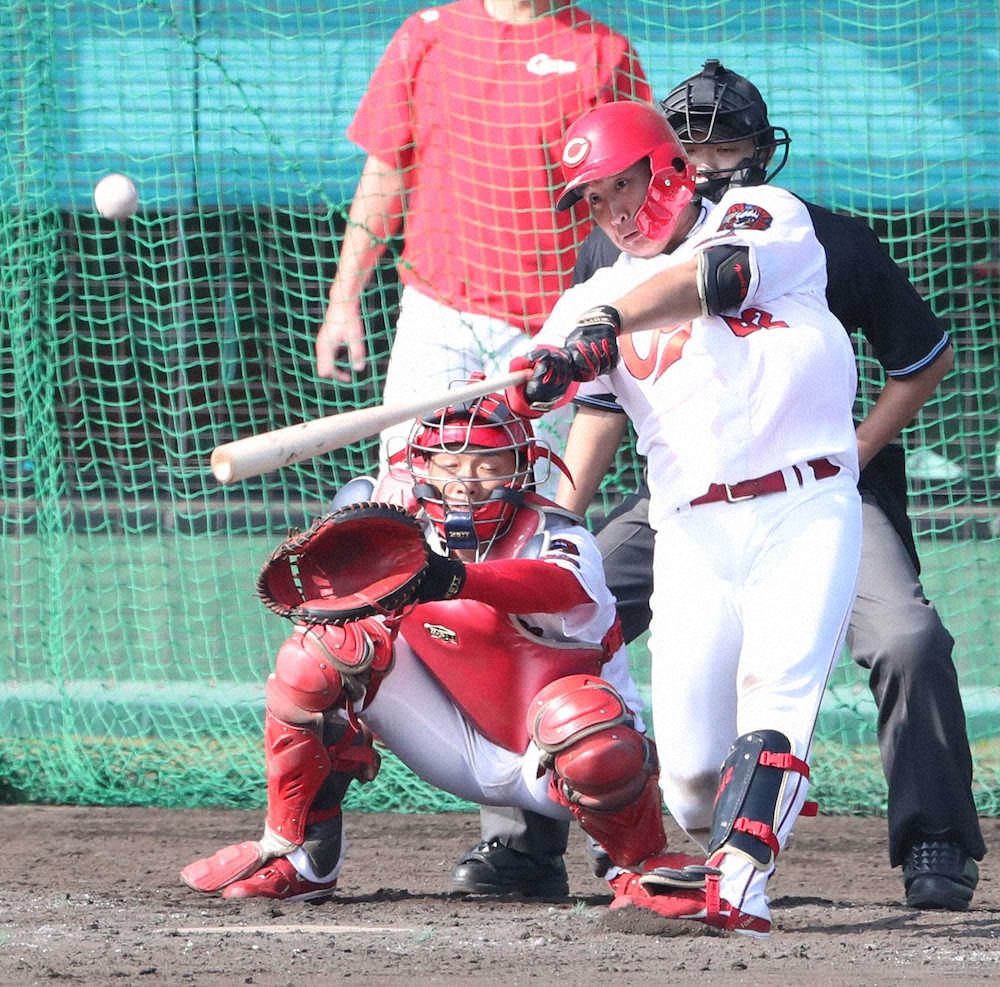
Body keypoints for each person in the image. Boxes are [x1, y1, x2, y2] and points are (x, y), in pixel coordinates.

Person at [458, 61, 986, 912]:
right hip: (688, 507)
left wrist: (852, 452)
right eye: (596, 197)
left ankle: (926, 839)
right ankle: (543, 837)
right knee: (576, 641)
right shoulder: (605, 265)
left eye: (723, 144)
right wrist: (536, 409)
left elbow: (716, 279)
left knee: (902, 639)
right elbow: (567, 389)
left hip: (819, 490)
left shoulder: (780, 219)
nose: (706, 162)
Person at [500, 97, 865, 936]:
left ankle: (742, 880)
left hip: (805, 504)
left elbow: (718, 279)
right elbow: (537, 391)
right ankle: (741, 821)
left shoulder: (761, 215)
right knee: (694, 774)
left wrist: (605, 326)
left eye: (622, 186)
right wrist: (535, 379)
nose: (612, 212)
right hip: (693, 533)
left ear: (667, 168)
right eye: (593, 200)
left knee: (780, 686)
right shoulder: (594, 293)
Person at [179, 386, 701, 903]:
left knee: (582, 720)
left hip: (552, 763)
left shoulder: (556, 536)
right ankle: (299, 858)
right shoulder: (398, 521)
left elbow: (555, 586)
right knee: (315, 655)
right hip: (448, 738)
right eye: (449, 464)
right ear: (419, 466)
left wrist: (452, 579)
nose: (466, 483)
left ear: (522, 468)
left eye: (486, 464)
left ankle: (638, 867)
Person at [314, 0, 649, 476]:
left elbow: (631, 193)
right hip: (438, 313)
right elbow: (386, 175)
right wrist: (343, 300)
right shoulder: (426, 35)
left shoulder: (604, 51)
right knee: (410, 488)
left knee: (524, 501)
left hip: (548, 330)